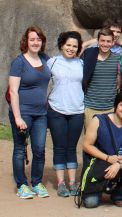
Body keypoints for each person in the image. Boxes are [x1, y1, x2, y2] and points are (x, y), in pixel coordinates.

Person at [8, 26, 50, 199]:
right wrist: (17, 117)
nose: (35, 42)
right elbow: (13, 91)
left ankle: (37, 182)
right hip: (22, 112)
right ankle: (22, 185)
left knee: (39, 149)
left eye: (38, 39)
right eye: (32, 39)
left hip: (41, 113)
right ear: (26, 41)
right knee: (20, 149)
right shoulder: (19, 62)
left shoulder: (45, 59)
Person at [82, 91, 122, 208]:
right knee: (90, 203)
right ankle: (96, 189)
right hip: (98, 163)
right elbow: (86, 145)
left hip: (119, 164)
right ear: (116, 105)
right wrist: (108, 158)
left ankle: (118, 196)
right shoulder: (99, 120)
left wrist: (118, 164)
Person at [47, 31, 84, 197]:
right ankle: (61, 183)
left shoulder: (82, 63)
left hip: (77, 110)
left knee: (71, 147)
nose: (71, 48)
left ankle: (72, 182)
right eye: (68, 45)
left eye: (75, 46)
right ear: (62, 45)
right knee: (59, 147)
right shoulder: (52, 62)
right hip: (56, 110)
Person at [81, 28, 122, 129]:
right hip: (90, 107)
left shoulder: (117, 58)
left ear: (113, 42)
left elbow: (120, 80)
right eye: (102, 41)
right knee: (90, 141)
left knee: (108, 141)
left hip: (110, 108)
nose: (105, 44)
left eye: (108, 41)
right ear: (98, 41)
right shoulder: (89, 55)